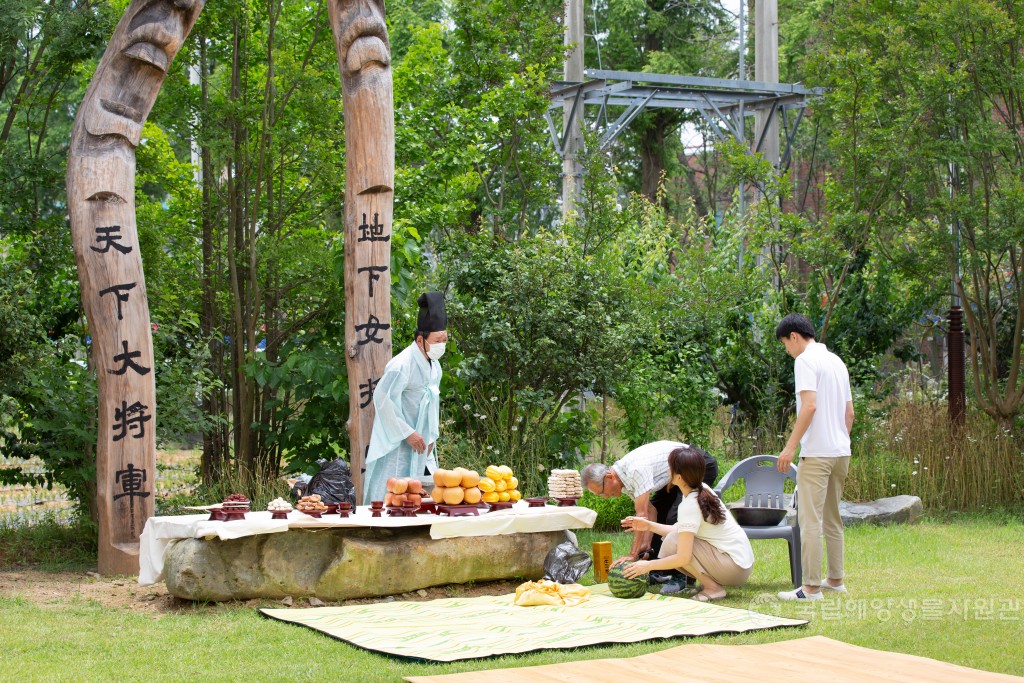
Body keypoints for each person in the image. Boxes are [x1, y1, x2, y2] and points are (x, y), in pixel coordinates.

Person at [774, 313, 854, 601]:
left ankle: (810, 588)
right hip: (840, 452)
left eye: (785, 344)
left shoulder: (805, 360)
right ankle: (835, 579)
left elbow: (809, 407)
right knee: (833, 519)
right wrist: (840, 441)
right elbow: (850, 414)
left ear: (794, 336)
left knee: (809, 521)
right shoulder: (836, 361)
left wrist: (790, 446)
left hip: (817, 454)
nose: (787, 350)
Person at [621, 445, 754, 602]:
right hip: (738, 564)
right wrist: (648, 525)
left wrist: (647, 566)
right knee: (674, 538)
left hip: (734, 568)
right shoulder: (701, 489)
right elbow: (679, 529)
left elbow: (682, 557)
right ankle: (710, 584)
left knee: (673, 541)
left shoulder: (690, 504)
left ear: (679, 477)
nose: (667, 471)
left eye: (669, 467)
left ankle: (713, 588)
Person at [363, 292, 448, 502]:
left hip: (422, 440)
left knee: (423, 490)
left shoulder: (434, 365)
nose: (442, 344)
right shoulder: (401, 365)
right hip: (399, 438)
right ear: (421, 339)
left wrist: (431, 435)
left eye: (445, 339)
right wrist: (407, 432)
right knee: (394, 488)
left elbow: (433, 402)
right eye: (437, 340)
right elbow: (383, 399)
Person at [581, 441, 719, 563]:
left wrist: (632, 554)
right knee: (659, 509)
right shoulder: (622, 479)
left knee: (674, 517)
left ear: (609, 477)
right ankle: (655, 564)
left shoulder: (634, 471)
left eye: (602, 492)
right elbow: (650, 511)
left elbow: (641, 515)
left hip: (697, 463)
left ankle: (679, 576)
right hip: (675, 475)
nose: (604, 497)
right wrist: (646, 544)